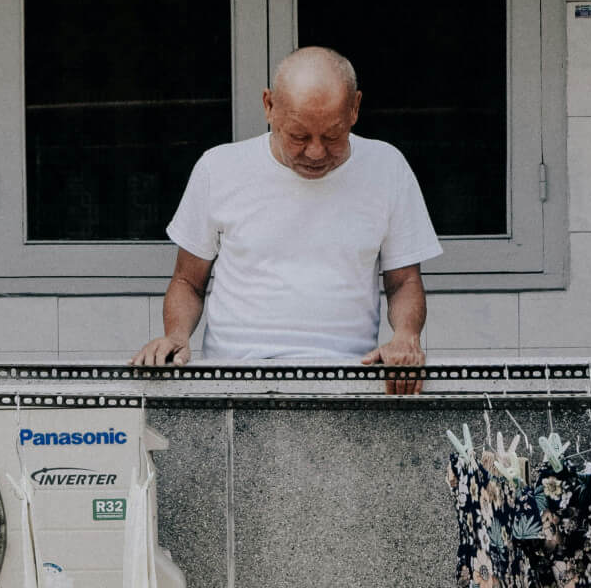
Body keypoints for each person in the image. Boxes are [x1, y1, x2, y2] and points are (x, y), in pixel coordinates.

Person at [131, 46, 440, 393]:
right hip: (235, 381)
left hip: (348, 382)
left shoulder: (387, 167)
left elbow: (404, 283)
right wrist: (176, 335)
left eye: (333, 136)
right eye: (299, 136)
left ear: (355, 108)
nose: (316, 152)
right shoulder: (217, 169)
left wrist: (405, 337)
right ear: (269, 106)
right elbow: (188, 282)